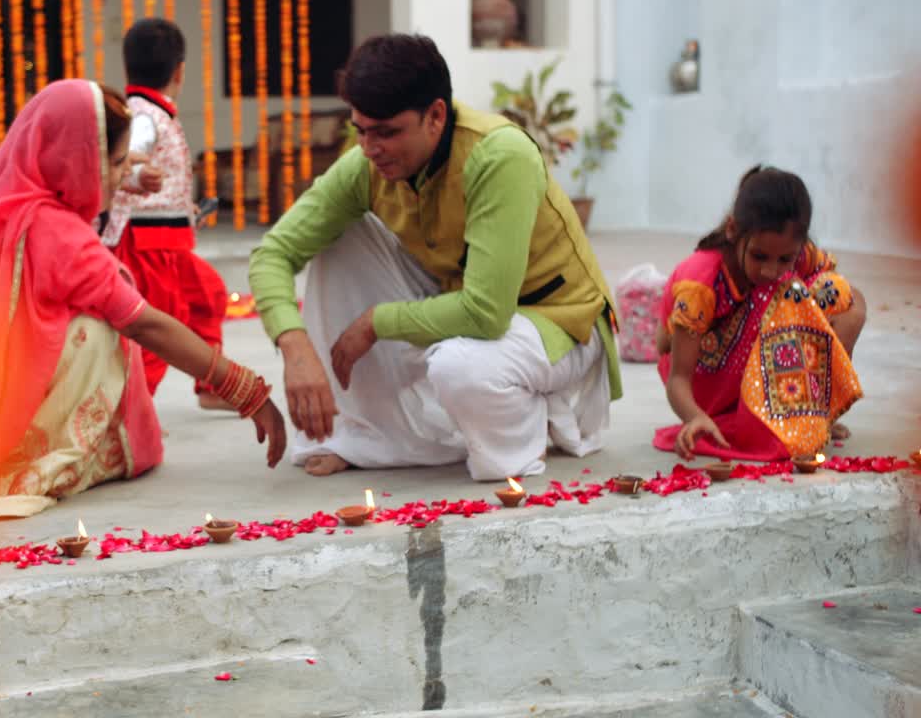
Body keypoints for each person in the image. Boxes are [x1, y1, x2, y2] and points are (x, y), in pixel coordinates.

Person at [247, 34, 622, 481]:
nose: (369, 148)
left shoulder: (499, 154)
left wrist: (374, 322)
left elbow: (486, 314)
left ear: (436, 116)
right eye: (361, 130)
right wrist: (295, 347)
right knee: (337, 238)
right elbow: (273, 253)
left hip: (559, 321)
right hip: (459, 298)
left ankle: (522, 429)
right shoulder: (367, 164)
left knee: (459, 367)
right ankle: (373, 434)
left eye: (387, 132)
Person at [0, 80, 285, 523]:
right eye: (117, 163)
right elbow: (145, 324)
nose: (122, 175)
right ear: (77, 161)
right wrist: (244, 390)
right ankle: (37, 457)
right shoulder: (58, 233)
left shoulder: (0, 196)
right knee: (98, 329)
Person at [654, 166, 866, 461]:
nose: (770, 270)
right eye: (759, 256)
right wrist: (695, 417)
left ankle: (813, 413)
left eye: (784, 259)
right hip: (703, 383)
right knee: (781, 292)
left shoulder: (798, 254)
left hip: (752, 371)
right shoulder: (699, 283)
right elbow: (678, 378)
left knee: (839, 295)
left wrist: (822, 397)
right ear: (732, 230)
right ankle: (750, 417)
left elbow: (849, 302)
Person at [101, 18, 230, 408]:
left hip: (169, 240)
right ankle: (132, 412)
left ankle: (211, 385)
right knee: (157, 325)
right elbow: (122, 163)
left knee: (208, 296)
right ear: (179, 71)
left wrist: (183, 206)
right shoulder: (143, 117)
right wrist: (138, 177)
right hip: (146, 243)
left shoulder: (150, 112)